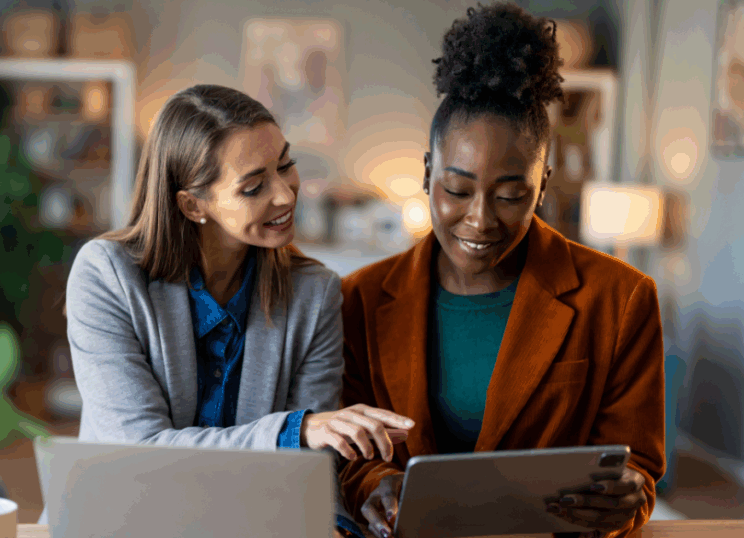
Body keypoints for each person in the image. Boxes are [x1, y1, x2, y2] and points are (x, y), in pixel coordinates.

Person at [338, 4, 665, 538]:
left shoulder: (621, 298)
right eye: (458, 190)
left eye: (512, 194)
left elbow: (640, 469)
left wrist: (624, 496)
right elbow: (352, 457)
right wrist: (375, 486)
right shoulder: (360, 298)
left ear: (543, 184)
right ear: (427, 174)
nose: (481, 219)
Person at [42, 84, 414, 537]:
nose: (285, 195)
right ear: (193, 205)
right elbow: (139, 454)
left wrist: (334, 524)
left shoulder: (314, 294)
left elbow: (312, 472)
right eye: (255, 186)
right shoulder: (106, 276)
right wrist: (292, 431)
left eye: (286, 165)